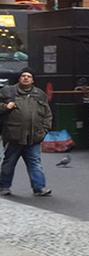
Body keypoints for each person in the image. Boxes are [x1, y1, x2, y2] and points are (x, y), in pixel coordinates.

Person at [1, 68, 54, 197]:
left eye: (28, 76)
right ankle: (4, 187)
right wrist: (4, 107)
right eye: (23, 76)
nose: (25, 78)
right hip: (14, 135)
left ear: (33, 80)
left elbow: (47, 114)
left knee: (35, 163)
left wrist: (44, 130)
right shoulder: (8, 91)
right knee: (9, 162)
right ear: (19, 78)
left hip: (34, 137)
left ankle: (39, 188)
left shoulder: (39, 94)